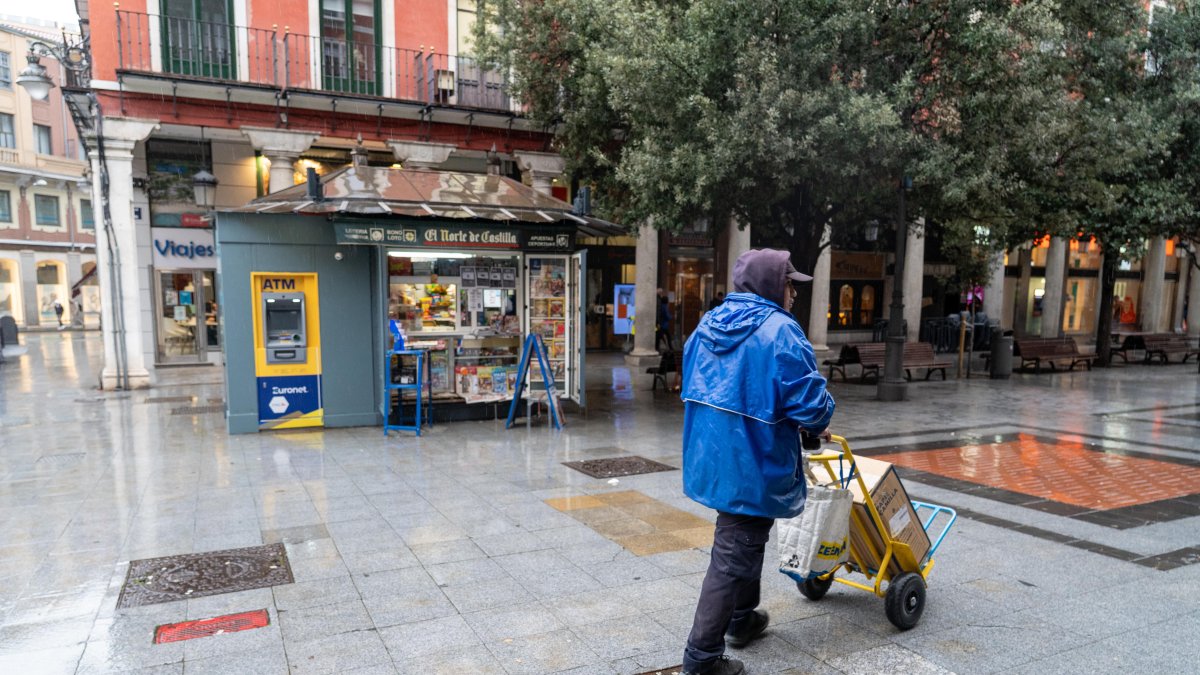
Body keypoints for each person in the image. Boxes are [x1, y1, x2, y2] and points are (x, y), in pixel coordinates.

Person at [679, 248, 835, 675]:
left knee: (743, 537)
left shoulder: (706, 324)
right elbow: (812, 408)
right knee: (733, 553)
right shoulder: (782, 333)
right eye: (789, 284)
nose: (793, 294)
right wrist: (819, 416)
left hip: (711, 456)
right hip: (753, 462)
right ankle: (702, 657)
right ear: (771, 285)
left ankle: (741, 617)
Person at [656, 288, 673, 352]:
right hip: (663, 324)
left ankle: (660, 347)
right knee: (666, 336)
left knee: (660, 336)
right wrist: (670, 317)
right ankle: (670, 347)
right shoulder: (664, 306)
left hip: (661, 323)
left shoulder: (661, 304)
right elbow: (666, 315)